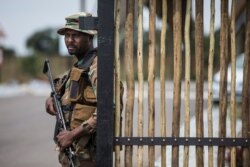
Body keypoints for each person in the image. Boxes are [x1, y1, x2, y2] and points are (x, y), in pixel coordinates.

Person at [45, 12, 98, 167]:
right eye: (67, 35)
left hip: (89, 156)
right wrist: (51, 99)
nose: (69, 40)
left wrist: (72, 135)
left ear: (89, 37)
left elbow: (107, 110)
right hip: (75, 155)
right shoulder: (80, 65)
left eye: (75, 35)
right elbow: (64, 90)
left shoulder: (96, 67)